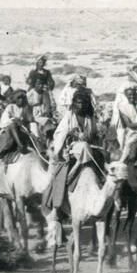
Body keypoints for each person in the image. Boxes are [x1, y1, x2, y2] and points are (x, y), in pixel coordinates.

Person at [43, 86, 102, 216]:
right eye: (78, 103)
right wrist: (71, 133)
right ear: (74, 104)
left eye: (83, 103)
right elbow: (59, 134)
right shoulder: (69, 116)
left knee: (101, 155)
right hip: (71, 148)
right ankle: (56, 204)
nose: (80, 105)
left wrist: (91, 136)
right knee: (83, 148)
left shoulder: (89, 117)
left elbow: (93, 133)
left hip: (88, 147)